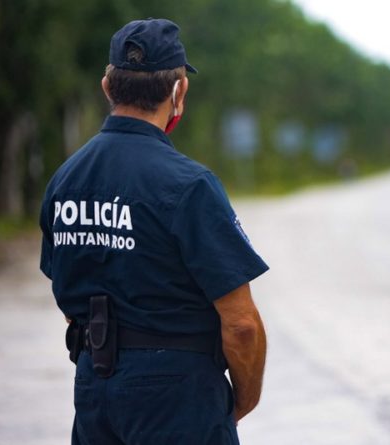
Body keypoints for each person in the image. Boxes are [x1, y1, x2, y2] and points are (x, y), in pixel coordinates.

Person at [39, 19, 268, 444]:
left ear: (108, 87)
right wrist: (240, 402)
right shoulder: (189, 185)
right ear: (178, 92)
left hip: (94, 391)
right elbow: (241, 325)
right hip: (179, 397)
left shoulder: (65, 180)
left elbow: (69, 293)